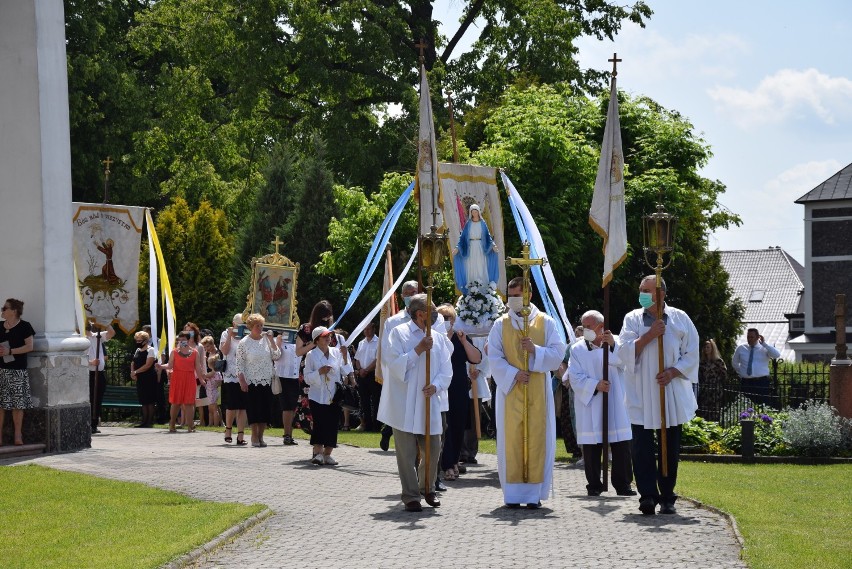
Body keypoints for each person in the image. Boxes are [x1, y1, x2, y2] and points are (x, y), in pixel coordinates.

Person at [619, 275, 699, 516]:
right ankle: (647, 495)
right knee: (641, 447)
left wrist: (674, 371)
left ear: (661, 293)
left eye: (647, 290)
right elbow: (623, 350)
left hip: (669, 391)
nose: (642, 293)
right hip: (641, 391)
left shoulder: (680, 318)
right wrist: (649, 335)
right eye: (641, 289)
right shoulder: (632, 319)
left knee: (669, 446)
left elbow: (692, 351)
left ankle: (667, 496)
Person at [487, 277, 566, 509]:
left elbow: (558, 354)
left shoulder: (546, 322)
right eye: (509, 296)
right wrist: (513, 374)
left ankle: (533, 495)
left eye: (516, 295)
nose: (511, 300)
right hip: (510, 390)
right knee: (511, 439)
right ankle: (512, 494)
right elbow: (494, 356)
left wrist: (535, 351)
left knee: (537, 437)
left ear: (528, 295)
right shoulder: (500, 324)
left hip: (538, 389)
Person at [378, 294, 453, 512]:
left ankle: (427, 487)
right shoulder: (398, 334)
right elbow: (392, 365)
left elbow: (446, 369)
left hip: (429, 402)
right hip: (404, 404)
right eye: (432, 311)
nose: (436, 315)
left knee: (433, 448)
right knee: (407, 453)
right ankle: (410, 495)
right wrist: (418, 349)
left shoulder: (438, 338)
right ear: (420, 314)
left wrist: (437, 385)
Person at [567, 310, 634, 496]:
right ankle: (594, 484)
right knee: (591, 446)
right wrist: (595, 385)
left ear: (601, 326)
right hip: (591, 402)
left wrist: (612, 346)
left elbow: (626, 362)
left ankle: (623, 484)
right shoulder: (577, 349)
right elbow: (575, 376)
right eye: (584, 326)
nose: (585, 330)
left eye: (588, 326)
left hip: (616, 399)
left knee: (621, 444)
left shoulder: (617, 342)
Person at [436, 304, 482, 482]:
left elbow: (476, 358)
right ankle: (447, 464)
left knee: (457, 426)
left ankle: (454, 460)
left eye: (450, 318)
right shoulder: (435, 338)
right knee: (445, 427)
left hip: (459, 387)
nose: (447, 322)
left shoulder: (460, 337)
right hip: (441, 387)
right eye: (443, 318)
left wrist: (463, 341)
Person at [303, 326, 351, 465]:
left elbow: (344, 371)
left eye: (329, 336)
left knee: (332, 424)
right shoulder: (311, 355)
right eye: (324, 336)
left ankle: (328, 454)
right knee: (319, 424)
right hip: (317, 395)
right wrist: (320, 372)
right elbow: (307, 378)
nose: (328, 338)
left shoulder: (336, 352)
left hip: (334, 395)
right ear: (317, 340)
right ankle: (318, 453)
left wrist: (345, 357)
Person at [236, 313, 281, 447]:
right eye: (257, 325)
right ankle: (254, 436)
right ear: (250, 327)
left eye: (261, 325)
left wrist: (272, 341)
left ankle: (261, 436)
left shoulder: (266, 340)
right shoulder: (244, 342)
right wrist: (242, 380)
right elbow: (240, 364)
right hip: (251, 381)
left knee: (265, 410)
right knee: (254, 410)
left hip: (266, 380)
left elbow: (277, 355)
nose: (260, 328)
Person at [295, 300, 336, 434]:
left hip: (328, 371)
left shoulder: (331, 331)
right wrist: (315, 343)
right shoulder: (306, 329)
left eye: (328, 316)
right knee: (311, 405)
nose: (326, 319)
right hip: (310, 368)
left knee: (327, 405)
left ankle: (324, 436)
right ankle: (315, 435)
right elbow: (298, 351)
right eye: (324, 316)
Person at [156, 331, 207, 433]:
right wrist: (161, 366)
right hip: (177, 378)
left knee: (189, 403)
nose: (181, 341)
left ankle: (190, 425)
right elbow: (170, 365)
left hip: (189, 378)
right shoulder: (174, 352)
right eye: (180, 340)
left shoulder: (195, 352)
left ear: (189, 340)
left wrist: (201, 379)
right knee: (176, 403)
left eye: (184, 339)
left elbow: (198, 367)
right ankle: (172, 424)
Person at [0, 299, 35, 446]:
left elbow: (30, 347)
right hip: (1, 370)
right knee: (0, 404)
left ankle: (18, 435)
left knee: (18, 404)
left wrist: (10, 351)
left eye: (5, 308)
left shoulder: (25, 326)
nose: (2, 310)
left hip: (17, 371)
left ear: (14, 311)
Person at [452, 203, 500, 295]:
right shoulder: (468, 224)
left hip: (480, 248)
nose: (474, 214)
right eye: (472, 212)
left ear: (478, 212)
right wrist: (457, 248)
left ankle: (484, 290)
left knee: (481, 266)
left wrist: (493, 245)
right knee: (471, 267)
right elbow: (462, 238)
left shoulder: (483, 223)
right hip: (471, 248)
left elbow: (488, 237)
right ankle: (471, 289)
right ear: (470, 213)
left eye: (475, 212)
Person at [731, 328, 780, 408]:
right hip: (746, 382)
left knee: (762, 405)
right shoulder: (741, 348)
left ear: (758, 337)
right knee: (745, 405)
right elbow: (734, 363)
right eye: (748, 337)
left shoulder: (764, 348)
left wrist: (765, 344)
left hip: (761, 382)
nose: (749, 339)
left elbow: (776, 355)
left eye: (752, 337)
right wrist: (742, 372)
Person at [220, 314, 248, 445]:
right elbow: (225, 351)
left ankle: (241, 435)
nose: (241, 327)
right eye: (239, 324)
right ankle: (228, 430)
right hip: (231, 373)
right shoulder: (225, 334)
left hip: (245, 374)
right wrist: (231, 336)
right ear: (233, 323)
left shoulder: (247, 335)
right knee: (232, 404)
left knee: (243, 406)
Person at [87, 321, 115, 434]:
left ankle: (94, 423)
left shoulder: (97, 336)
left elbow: (112, 332)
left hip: (100, 373)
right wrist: (90, 362)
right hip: (89, 373)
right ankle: (88, 423)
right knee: (90, 399)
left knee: (97, 399)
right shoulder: (81, 339)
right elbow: (77, 358)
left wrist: (105, 322)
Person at [275, 331, 301, 445]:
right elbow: (276, 356)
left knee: (294, 407)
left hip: (296, 377)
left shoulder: (298, 341)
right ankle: (286, 434)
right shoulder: (278, 339)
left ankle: (290, 434)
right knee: (286, 407)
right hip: (283, 376)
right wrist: (278, 343)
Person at [354, 321, 379, 431]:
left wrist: (367, 370)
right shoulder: (361, 343)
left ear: (373, 329)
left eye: (368, 329)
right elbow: (357, 358)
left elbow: (377, 360)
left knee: (376, 400)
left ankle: (376, 425)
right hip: (362, 375)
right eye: (365, 329)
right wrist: (360, 369)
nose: (366, 331)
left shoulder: (378, 342)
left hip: (373, 374)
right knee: (364, 401)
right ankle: (367, 424)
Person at [129, 331, 158, 428]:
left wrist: (136, 372)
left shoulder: (151, 350)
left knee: (149, 400)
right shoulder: (137, 350)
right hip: (140, 378)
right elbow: (133, 362)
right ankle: (144, 420)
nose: (138, 342)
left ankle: (149, 421)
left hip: (149, 377)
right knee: (143, 400)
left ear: (145, 341)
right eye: (136, 340)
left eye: (140, 340)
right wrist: (132, 372)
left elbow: (148, 365)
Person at [698, 339, 727, 422]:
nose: (706, 349)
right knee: (704, 411)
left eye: (708, 347)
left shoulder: (718, 361)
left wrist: (716, 380)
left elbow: (724, 374)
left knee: (714, 411)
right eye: (705, 347)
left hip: (715, 390)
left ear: (712, 348)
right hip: (705, 390)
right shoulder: (702, 362)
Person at [199, 335, 223, 428]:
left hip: (216, 382)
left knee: (216, 405)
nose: (206, 349)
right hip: (209, 382)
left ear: (212, 344)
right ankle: (212, 423)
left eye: (208, 346)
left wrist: (208, 375)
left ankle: (220, 423)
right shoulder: (207, 354)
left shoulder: (217, 353)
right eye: (204, 347)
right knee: (212, 406)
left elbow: (217, 370)